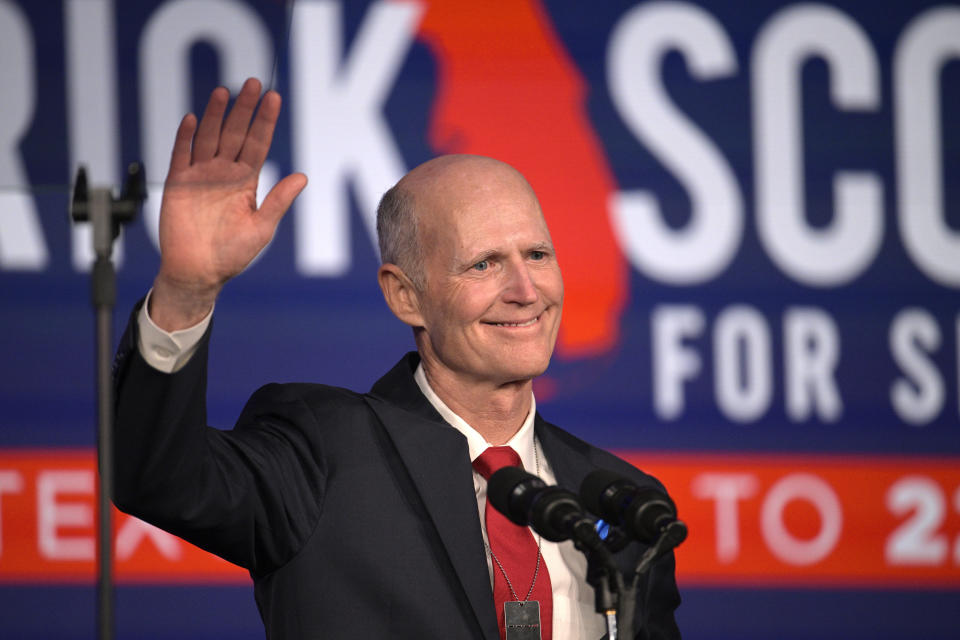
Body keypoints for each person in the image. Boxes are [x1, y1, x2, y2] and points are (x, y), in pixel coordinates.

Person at [112, 78, 680, 639]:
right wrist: (185, 293)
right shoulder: (323, 451)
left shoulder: (622, 503)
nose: (526, 290)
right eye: (484, 264)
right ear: (405, 295)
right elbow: (160, 478)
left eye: (536, 254)